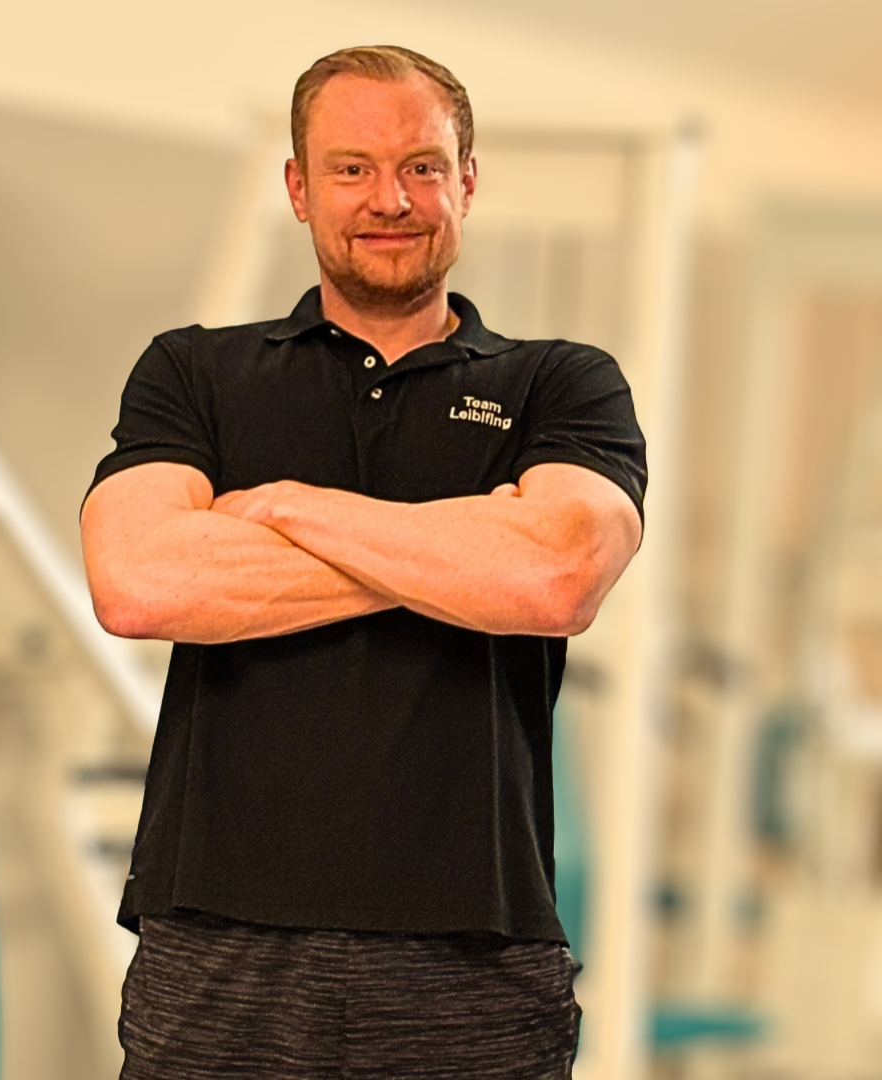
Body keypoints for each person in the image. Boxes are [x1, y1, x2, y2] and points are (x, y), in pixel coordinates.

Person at [80, 44, 646, 1080]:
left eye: (423, 167)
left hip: (472, 957)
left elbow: (555, 580)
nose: (390, 199)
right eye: (350, 168)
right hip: (216, 945)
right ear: (299, 188)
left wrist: (288, 508)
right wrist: (462, 547)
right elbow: (139, 581)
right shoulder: (195, 371)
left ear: (467, 181)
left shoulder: (561, 384)